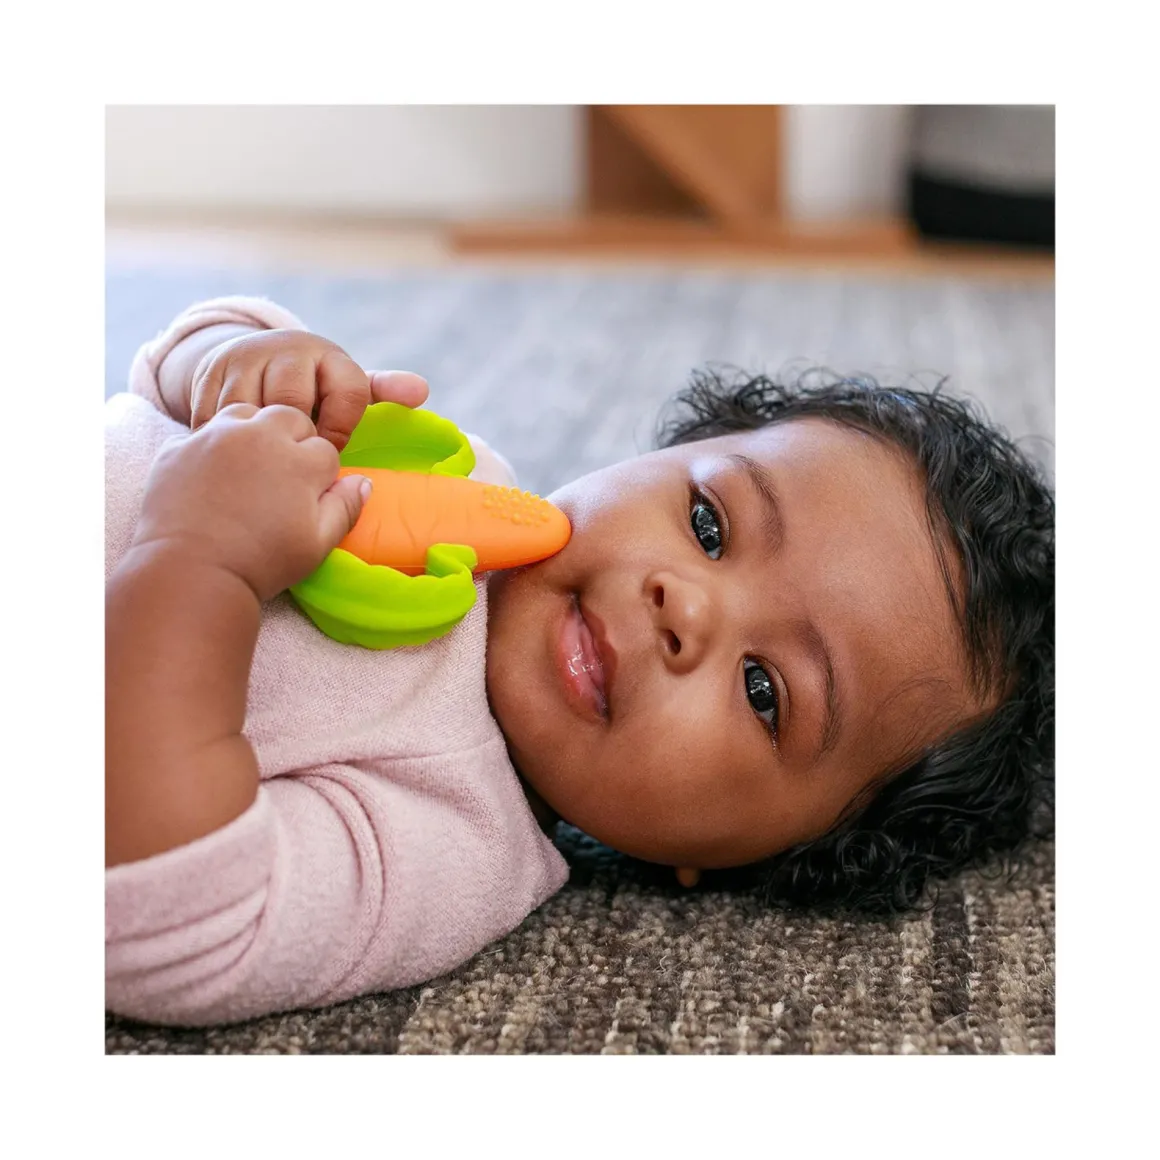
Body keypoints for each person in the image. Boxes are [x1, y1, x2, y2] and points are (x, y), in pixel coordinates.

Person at [106, 297, 1054, 1026]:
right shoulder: (454, 470)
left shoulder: (456, 842)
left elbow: (179, 923)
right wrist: (239, 365)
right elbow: (168, 374)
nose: (684, 606)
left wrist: (196, 562)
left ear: (734, 860)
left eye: (764, 690)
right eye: (708, 523)